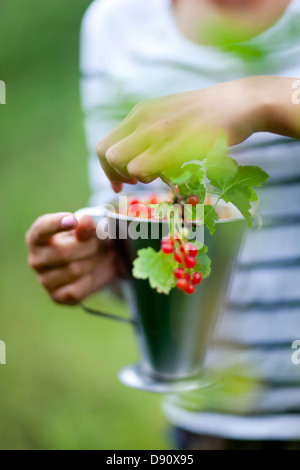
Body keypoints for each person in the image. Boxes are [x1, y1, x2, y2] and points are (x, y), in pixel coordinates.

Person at [26, 0, 300, 449]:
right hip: (207, 424)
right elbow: (124, 203)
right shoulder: (117, 21)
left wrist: (263, 97)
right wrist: (109, 259)